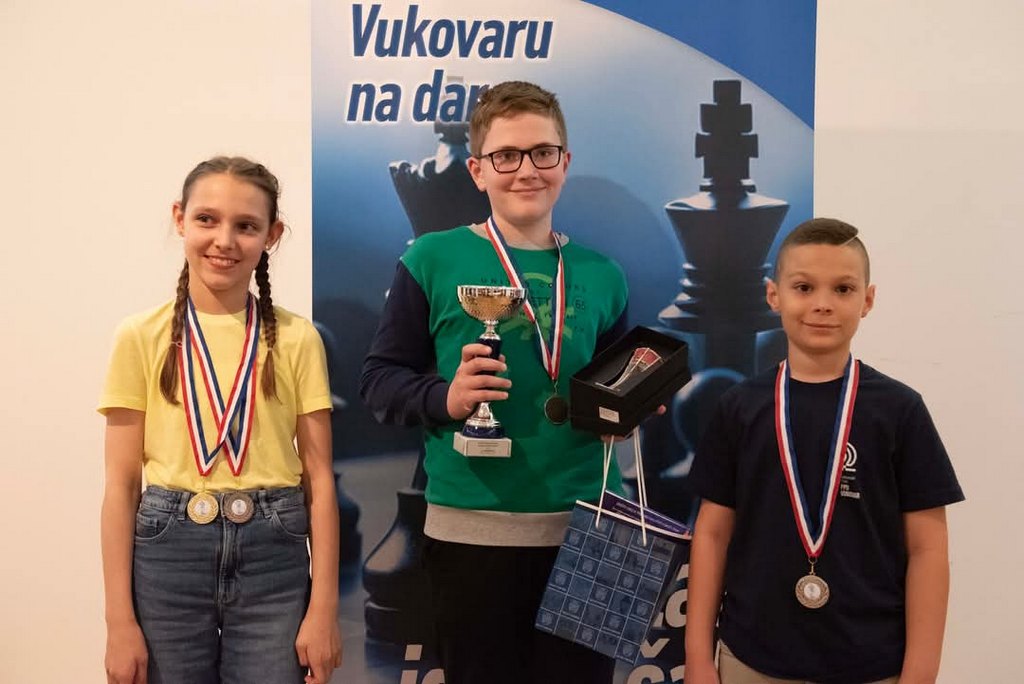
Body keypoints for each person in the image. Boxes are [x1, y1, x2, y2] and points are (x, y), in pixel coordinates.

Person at [360, 81, 629, 683]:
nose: (526, 170)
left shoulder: (604, 273)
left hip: (590, 532)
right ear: (478, 170)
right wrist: (447, 397)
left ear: (565, 162)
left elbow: (616, 384)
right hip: (472, 531)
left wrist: (632, 407)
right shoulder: (431, 260)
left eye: (542, 152)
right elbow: (379, 380)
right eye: (506, 156)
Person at [685, 218, 964, 684]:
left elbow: (928, 548)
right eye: (803, 287)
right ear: (774, 295)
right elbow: (711, 536)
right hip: (750, 658)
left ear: (867, 300)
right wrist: (697, 657)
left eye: (843, 289)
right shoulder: (740, 407)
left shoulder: (900, 410)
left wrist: (920, 672)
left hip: (872, 662)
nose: (822, 304)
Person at [99, 157, 342, 684]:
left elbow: (320, 480)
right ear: (179, 218)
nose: (224, 240)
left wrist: (323, 611)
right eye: (207, 219)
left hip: (274, 556)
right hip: (168, 556)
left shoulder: (298, 338)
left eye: (246, 225)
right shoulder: (139, 336)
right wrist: (119, 622)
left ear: (272, 235)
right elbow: (120, 485)